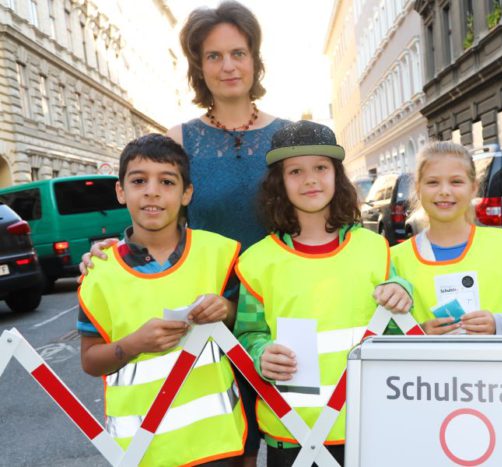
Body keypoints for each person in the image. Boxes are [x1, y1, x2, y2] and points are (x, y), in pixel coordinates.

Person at [81, 3, 288, 463]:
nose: (228, 66)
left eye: (238, 52)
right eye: (214, 56)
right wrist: (114, 249)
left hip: (280, 308)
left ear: (256, 58)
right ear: (199, 66)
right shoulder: (180, 138)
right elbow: (157, 204)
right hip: (206, 316)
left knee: (291, 440)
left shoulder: (287, 136)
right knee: (232, 445)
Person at [234, 120, 413, 466]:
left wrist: (401, 291)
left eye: (321, 167)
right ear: (278, 184)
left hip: (369, 422)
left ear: (337, 176)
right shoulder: (257, 262)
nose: (311, 179)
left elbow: (397, 326)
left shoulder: (374, 248)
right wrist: (260, 354)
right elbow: (249, 332)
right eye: (296, 171)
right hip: (292, 430)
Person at [77, 134, 247, 466]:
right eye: (139, 180)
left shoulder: (219, 253)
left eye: (167, 182)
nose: (152, 191)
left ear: (186, 194)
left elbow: (247, 322)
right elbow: (90, 360)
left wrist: (225, 309)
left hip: (217, 442)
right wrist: (133, 344)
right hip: (141, 448)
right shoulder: (100, 272)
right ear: (121, 191)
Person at [391, 141, 502, 335]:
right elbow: (384, 329)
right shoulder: (396, 259)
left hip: (498, 365)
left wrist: (497, 323)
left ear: (473, 188)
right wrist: (419, 332)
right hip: (430, 365)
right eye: (432, 182)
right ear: (418, 189)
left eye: (456, 182)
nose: (444, 191)